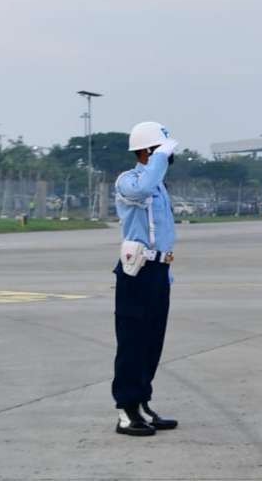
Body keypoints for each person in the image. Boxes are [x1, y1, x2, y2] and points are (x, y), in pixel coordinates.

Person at [111, 121, 181, 437]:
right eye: (159, 151)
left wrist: (167, 273)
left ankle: (142, 403)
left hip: (158, 271)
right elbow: (141, 189)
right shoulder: (129, 181)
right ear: (145, 152)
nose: (167, 158)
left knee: (152, 342)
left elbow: (165, 232)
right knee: (132, 342)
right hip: (135, 273)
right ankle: (126, 410)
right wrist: (158, 159)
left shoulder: (159, 184)